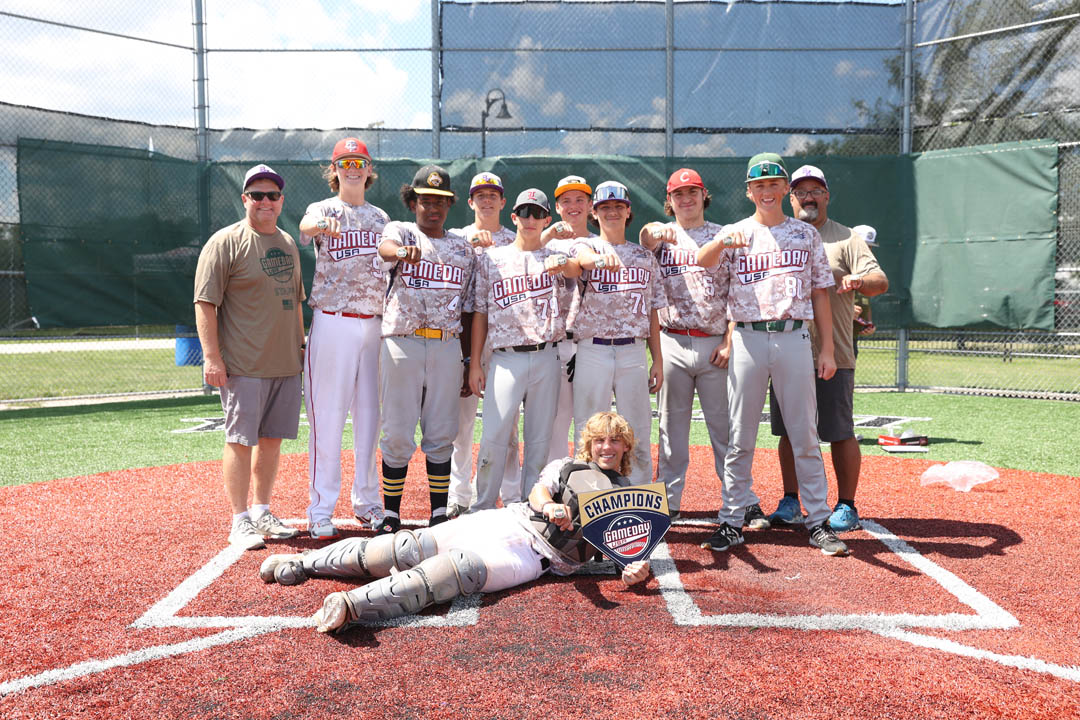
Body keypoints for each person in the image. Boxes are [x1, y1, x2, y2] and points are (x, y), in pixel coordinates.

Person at [257, 411, 652, 632]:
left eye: (615, 440)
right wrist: (549, 506)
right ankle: (303, 564)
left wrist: (636, 572)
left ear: (625, 447)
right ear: (589, 442)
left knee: (456, 571)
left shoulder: (628, 500)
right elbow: (538, 492)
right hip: (507, 522)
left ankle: (350, 607)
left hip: (537, 560)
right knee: (407, 546)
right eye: (600, 439)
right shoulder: (566, 465)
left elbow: (630, 559)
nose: (607, 446)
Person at [696, 152, 848, 557]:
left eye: (773, 184)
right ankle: (731, 520)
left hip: (793, 337)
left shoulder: (805, 235)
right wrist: (718, 240)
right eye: (758, 185)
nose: (766, 191)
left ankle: (817, 520)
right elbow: (703, 262)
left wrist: (827, 349)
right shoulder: (735, 232)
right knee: (740, 436)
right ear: (749, 191)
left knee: (804, 433)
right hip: (746, 338)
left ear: (786, 189)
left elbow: (820, 292)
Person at [767, 166, 888, 533]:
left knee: (839, 430)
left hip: (833, 350)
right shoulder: (778, 234)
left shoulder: (847, 239)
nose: (808, 196)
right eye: (800, 191)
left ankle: (847, 504)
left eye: (815, 190)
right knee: (789, 430)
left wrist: (858, 280)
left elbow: (879, 281)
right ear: (791, 197)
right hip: (786, 347)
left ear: (826, 196)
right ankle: (791, 500)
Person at [193, 164, 304, 550]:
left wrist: (300, 347)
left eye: (272, 196)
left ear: (281, 201)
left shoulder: (289, 243)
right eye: (257, 195)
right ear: (245, 199)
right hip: (244, 364)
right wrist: (212, 358)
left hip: (285, 364)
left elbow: (296, 302)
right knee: (240, 440)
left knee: (272, 441)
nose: (265, 202)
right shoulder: (224, 243)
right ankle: (239, 520)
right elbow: (205, 303)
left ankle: (261, 511)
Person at [297, 137, 390, 540]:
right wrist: (319, 225)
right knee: (328, 419)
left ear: (369, 170)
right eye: (345, 161)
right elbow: (303, 227)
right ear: (334, 170)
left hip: (374, 324)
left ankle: (367, 502)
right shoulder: (324, 208)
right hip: (332, 321)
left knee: (370, 419)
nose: (353, 168)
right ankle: (320, 509)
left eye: (360, 161)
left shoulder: (382, 217)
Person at [374, 165, 475, 534]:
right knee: (398, 432)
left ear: (449, 206)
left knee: (442, 432)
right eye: (426, 200)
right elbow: (385, 249)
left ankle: (437, 512)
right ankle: (390, 513)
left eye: (442, 202)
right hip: (403, 342)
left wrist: (467, 360)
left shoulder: (463, 248)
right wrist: (402, 251)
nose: (434, 208)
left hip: (447, 345)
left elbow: (468, 307)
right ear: (413, 201)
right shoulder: (401, 231)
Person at [468, 188, 580, 509]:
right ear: (514, 217)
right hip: (505, 359)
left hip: (547, 356)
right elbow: (480, 314)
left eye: (537, 213)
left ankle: (531, 510)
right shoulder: (492, 258)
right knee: (494, 439)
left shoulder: (555, 259)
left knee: (539, 444)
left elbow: (576, 270)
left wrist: (566, 264)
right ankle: (483, 508)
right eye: (525, 213)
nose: (531, 219)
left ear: (547, 218)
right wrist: (476, 363)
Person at [638, 169, 733, 521]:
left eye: (692, 192)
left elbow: (739, 291)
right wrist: (652, 230)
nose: (686, 199)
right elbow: (645, 238)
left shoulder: (722, 235)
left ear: (703, 194)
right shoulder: (664, 235)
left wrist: (729, 340)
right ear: (670, 200)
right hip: (672, 340)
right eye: (678, 194)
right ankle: (668, 500)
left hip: (714, 343)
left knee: (724, 430)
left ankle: (738, 499)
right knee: (671, 430)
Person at [567, 181, 667, 486]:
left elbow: (653, 311)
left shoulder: (645, 257)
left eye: (618, 207)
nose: (612, 212)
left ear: (628, 212)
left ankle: (640, 502)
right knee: (589, 429)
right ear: (594, 214)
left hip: (633, 351)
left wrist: (658, 360)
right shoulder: (584, 246)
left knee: (636, 428)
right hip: (592, 348)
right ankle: (586, 500)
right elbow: (576, 263)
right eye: (604, 208)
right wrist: (594, 259)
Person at [448, 172, 521, 518]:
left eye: (493, 194)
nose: (487, 200)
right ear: (470, 201)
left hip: (504, 332)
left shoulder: (515, 239)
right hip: (462, 330)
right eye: (480, 194)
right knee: (460, 422)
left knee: (506, 421)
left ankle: (511, 494)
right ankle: (458, 494)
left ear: (504, 202)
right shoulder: (457, 238)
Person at [540, 175, 595, 466]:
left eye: (579, 199)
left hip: (590, 343)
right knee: (556, 421)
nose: (573, 206)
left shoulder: (601, 243)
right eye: (566, 201)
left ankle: (592, 483)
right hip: (555, 342)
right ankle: (556, 483)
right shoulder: (543, 244)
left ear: (590, 206)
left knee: (591, 419)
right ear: (557, 208)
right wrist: (547, 237)